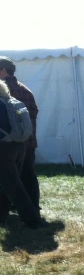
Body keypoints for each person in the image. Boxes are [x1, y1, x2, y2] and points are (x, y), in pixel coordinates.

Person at [0, 57, 40, 212]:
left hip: (8, 144)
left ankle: (10, 213)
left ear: (3, 70)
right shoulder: (25, 89)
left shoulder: (5, 90)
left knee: (8, 181)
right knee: (28, 176)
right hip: (27, 142)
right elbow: (34, 113)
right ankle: (33, 207)